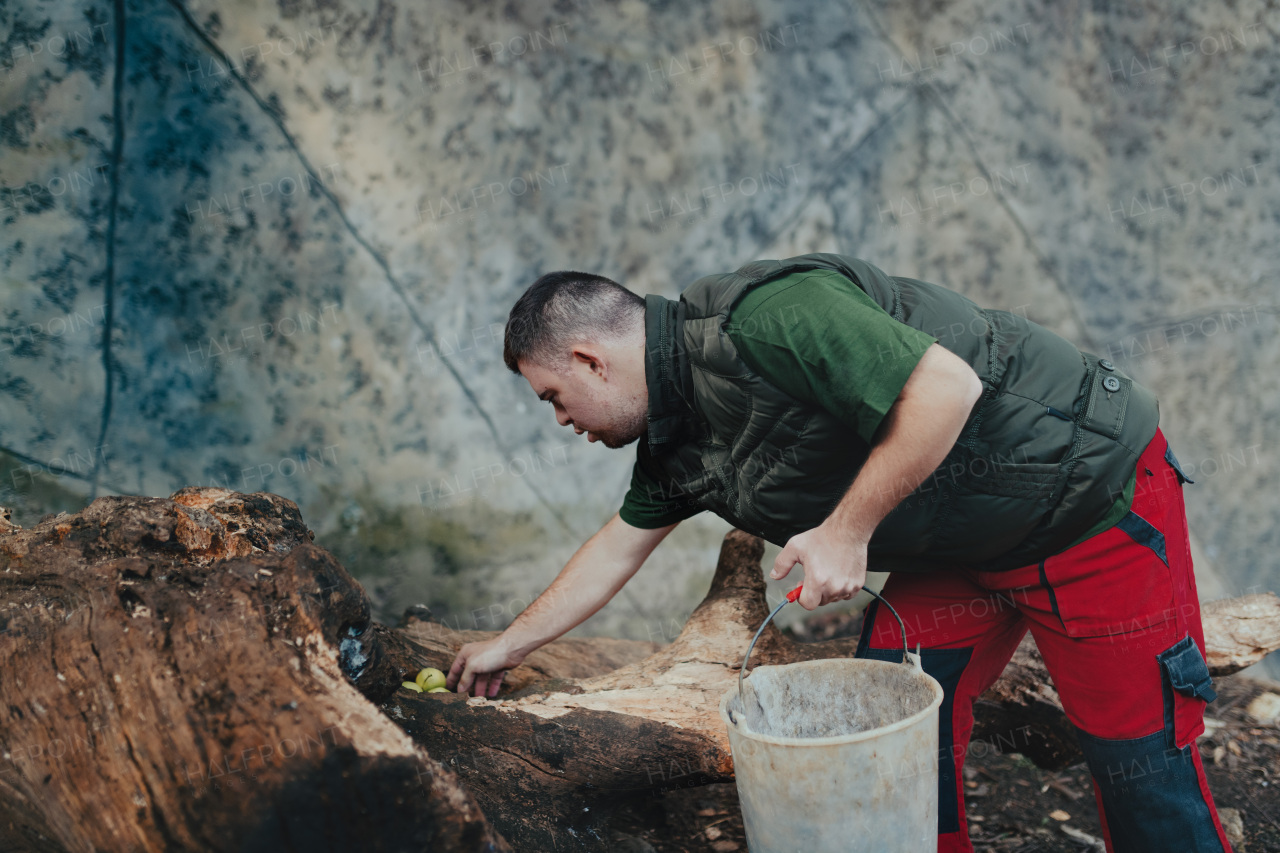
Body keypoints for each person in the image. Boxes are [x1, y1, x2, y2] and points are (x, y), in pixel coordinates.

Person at [445, 252, 1232, 853]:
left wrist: (847, 529)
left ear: (589, 359)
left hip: (1085, 503)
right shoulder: (675, 443)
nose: (559, 418)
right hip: (962, 549)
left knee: (1142, 759)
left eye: (553, 396)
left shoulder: (771, 315)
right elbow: (617, 546)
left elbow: (945, 389)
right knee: (889, 715)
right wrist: (507, 643)